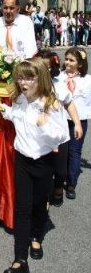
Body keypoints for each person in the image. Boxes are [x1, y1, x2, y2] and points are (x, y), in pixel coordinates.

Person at [0, 58, 69, 273]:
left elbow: (61, 136)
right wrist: (3, 108)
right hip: (22, 159)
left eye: (29, 78)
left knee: (39, 205)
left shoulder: (52, 104)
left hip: (43, 161)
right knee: (22, 208)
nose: (23, 83)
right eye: (20, 77)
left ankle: (35, 237)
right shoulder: (19, 99)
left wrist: (45, 125)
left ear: (40, 78)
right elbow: (17, 117)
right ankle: (20, 260)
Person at [36, 50, 83, 206]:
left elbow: (69, 104)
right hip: (39, 136)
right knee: (42, 169)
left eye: (46, 67)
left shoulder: (59, 86)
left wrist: (76, 123)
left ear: (52, 68)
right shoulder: (31, 85)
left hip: (60, 135)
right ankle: (42, 197)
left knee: (60, 170)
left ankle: (58, 188)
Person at [55, 47, 91, 200]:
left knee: (74, 151)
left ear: (80, 64)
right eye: (66, 59)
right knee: (60, 150)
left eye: (71, 60)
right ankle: (57, 180)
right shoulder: (59, 76)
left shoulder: (87, 80)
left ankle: (71, 183)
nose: (67, 62)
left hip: (79, 120)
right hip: (60, 119)